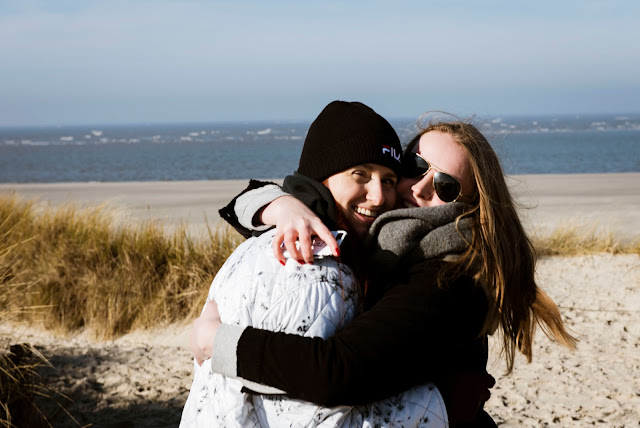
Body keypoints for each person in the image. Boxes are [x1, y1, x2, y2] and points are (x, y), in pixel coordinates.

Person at [191, 118, 578, 426]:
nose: (421, 188)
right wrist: (284, 207)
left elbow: (339, 372)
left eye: (446, 186)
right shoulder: (385, 247)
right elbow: (245, 205)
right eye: (416, 166)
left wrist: (217, 342)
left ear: (472, 205)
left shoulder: (447, 278)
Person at [181, 101, 453, 427]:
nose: (379, 196)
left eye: (389, 179)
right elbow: (316, 394)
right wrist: (442, 403)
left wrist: (277, 204)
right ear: (323, 177)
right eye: (360, 174)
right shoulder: (306, 264)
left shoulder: (344, 249)